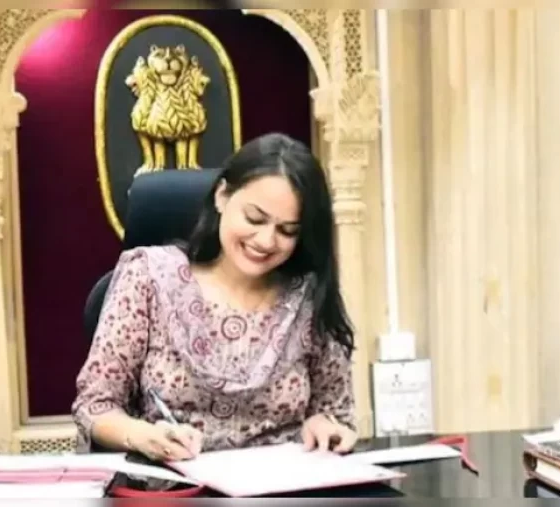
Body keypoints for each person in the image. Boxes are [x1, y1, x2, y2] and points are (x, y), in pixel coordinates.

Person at [72, 132, 357, 462]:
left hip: (283, 483)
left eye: (287, 231)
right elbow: (95, 405)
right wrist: (142, 435)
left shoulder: (308, 297)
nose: (266, 241)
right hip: (174, 479)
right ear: (222, 196)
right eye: (254, 218)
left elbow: (336, 413)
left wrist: (324, 424)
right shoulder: (148, 278)